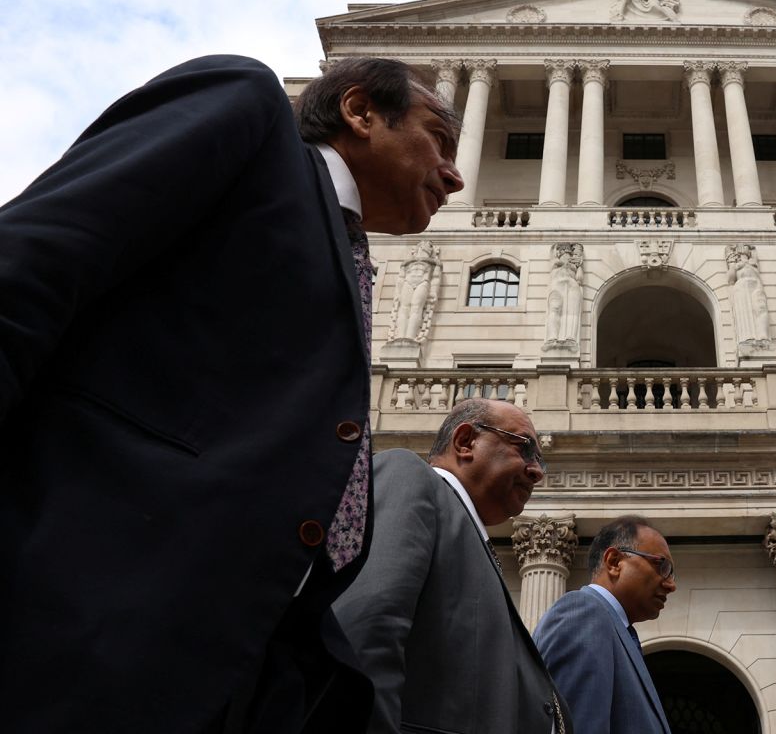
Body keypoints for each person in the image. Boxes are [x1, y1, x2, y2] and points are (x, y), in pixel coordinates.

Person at [0, 54, 462, 733]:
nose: (455, 174)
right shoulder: (248, 112)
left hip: (221, 669)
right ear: (362, 112)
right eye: (439, 141)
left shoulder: (350, 252)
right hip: (76, 615)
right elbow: (31, 263)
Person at [332, 399, 572, 734]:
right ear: (465, 442)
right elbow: (365, 630)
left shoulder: (471, 539)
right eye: (525, 449)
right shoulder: (411, 477)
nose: (537, 471)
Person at [534, 516, 677, 734]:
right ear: (614, 562)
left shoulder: (617, 631)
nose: (671, 584)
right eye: (662, 565)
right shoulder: (582, 614)